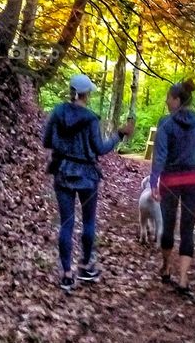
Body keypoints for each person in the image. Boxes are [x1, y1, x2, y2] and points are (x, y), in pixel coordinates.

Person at [43, 73, 134, 292]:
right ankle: (85, 266)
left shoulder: (57, 112)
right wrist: (118, 135)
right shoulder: (91, 118)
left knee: (66, 223)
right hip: (87, 176)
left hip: (63, 172)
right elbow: (100, 149)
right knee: (88, 222)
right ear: (85, 94)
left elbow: (46, 141)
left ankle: (66, 274)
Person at [150, 78, 195, 296]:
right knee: (187, 229)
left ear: (176, 99)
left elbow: (160, 155)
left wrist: (154, 181)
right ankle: (183, 279)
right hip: (193, 180)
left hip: (171, 180)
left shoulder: (165, 123)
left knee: (168, 224)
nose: (166, 102)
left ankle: (166, 267)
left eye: (168, 98)